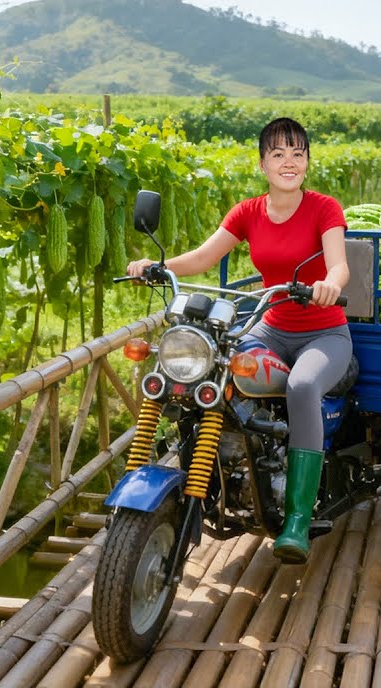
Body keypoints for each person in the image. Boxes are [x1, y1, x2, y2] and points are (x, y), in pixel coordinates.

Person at [126, 117, 351, 564]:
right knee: (212, 366)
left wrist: (328, 283)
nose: (289, 163)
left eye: (298, 154)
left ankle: (297, 520)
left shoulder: (325, 207)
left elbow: (339, 264)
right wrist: (158, 264)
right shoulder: (248, 211)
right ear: (263, 163)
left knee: (302, 386)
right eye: (278, 154)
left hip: (324, 331)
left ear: (307, 161)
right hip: (268, 327)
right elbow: (206, 256)